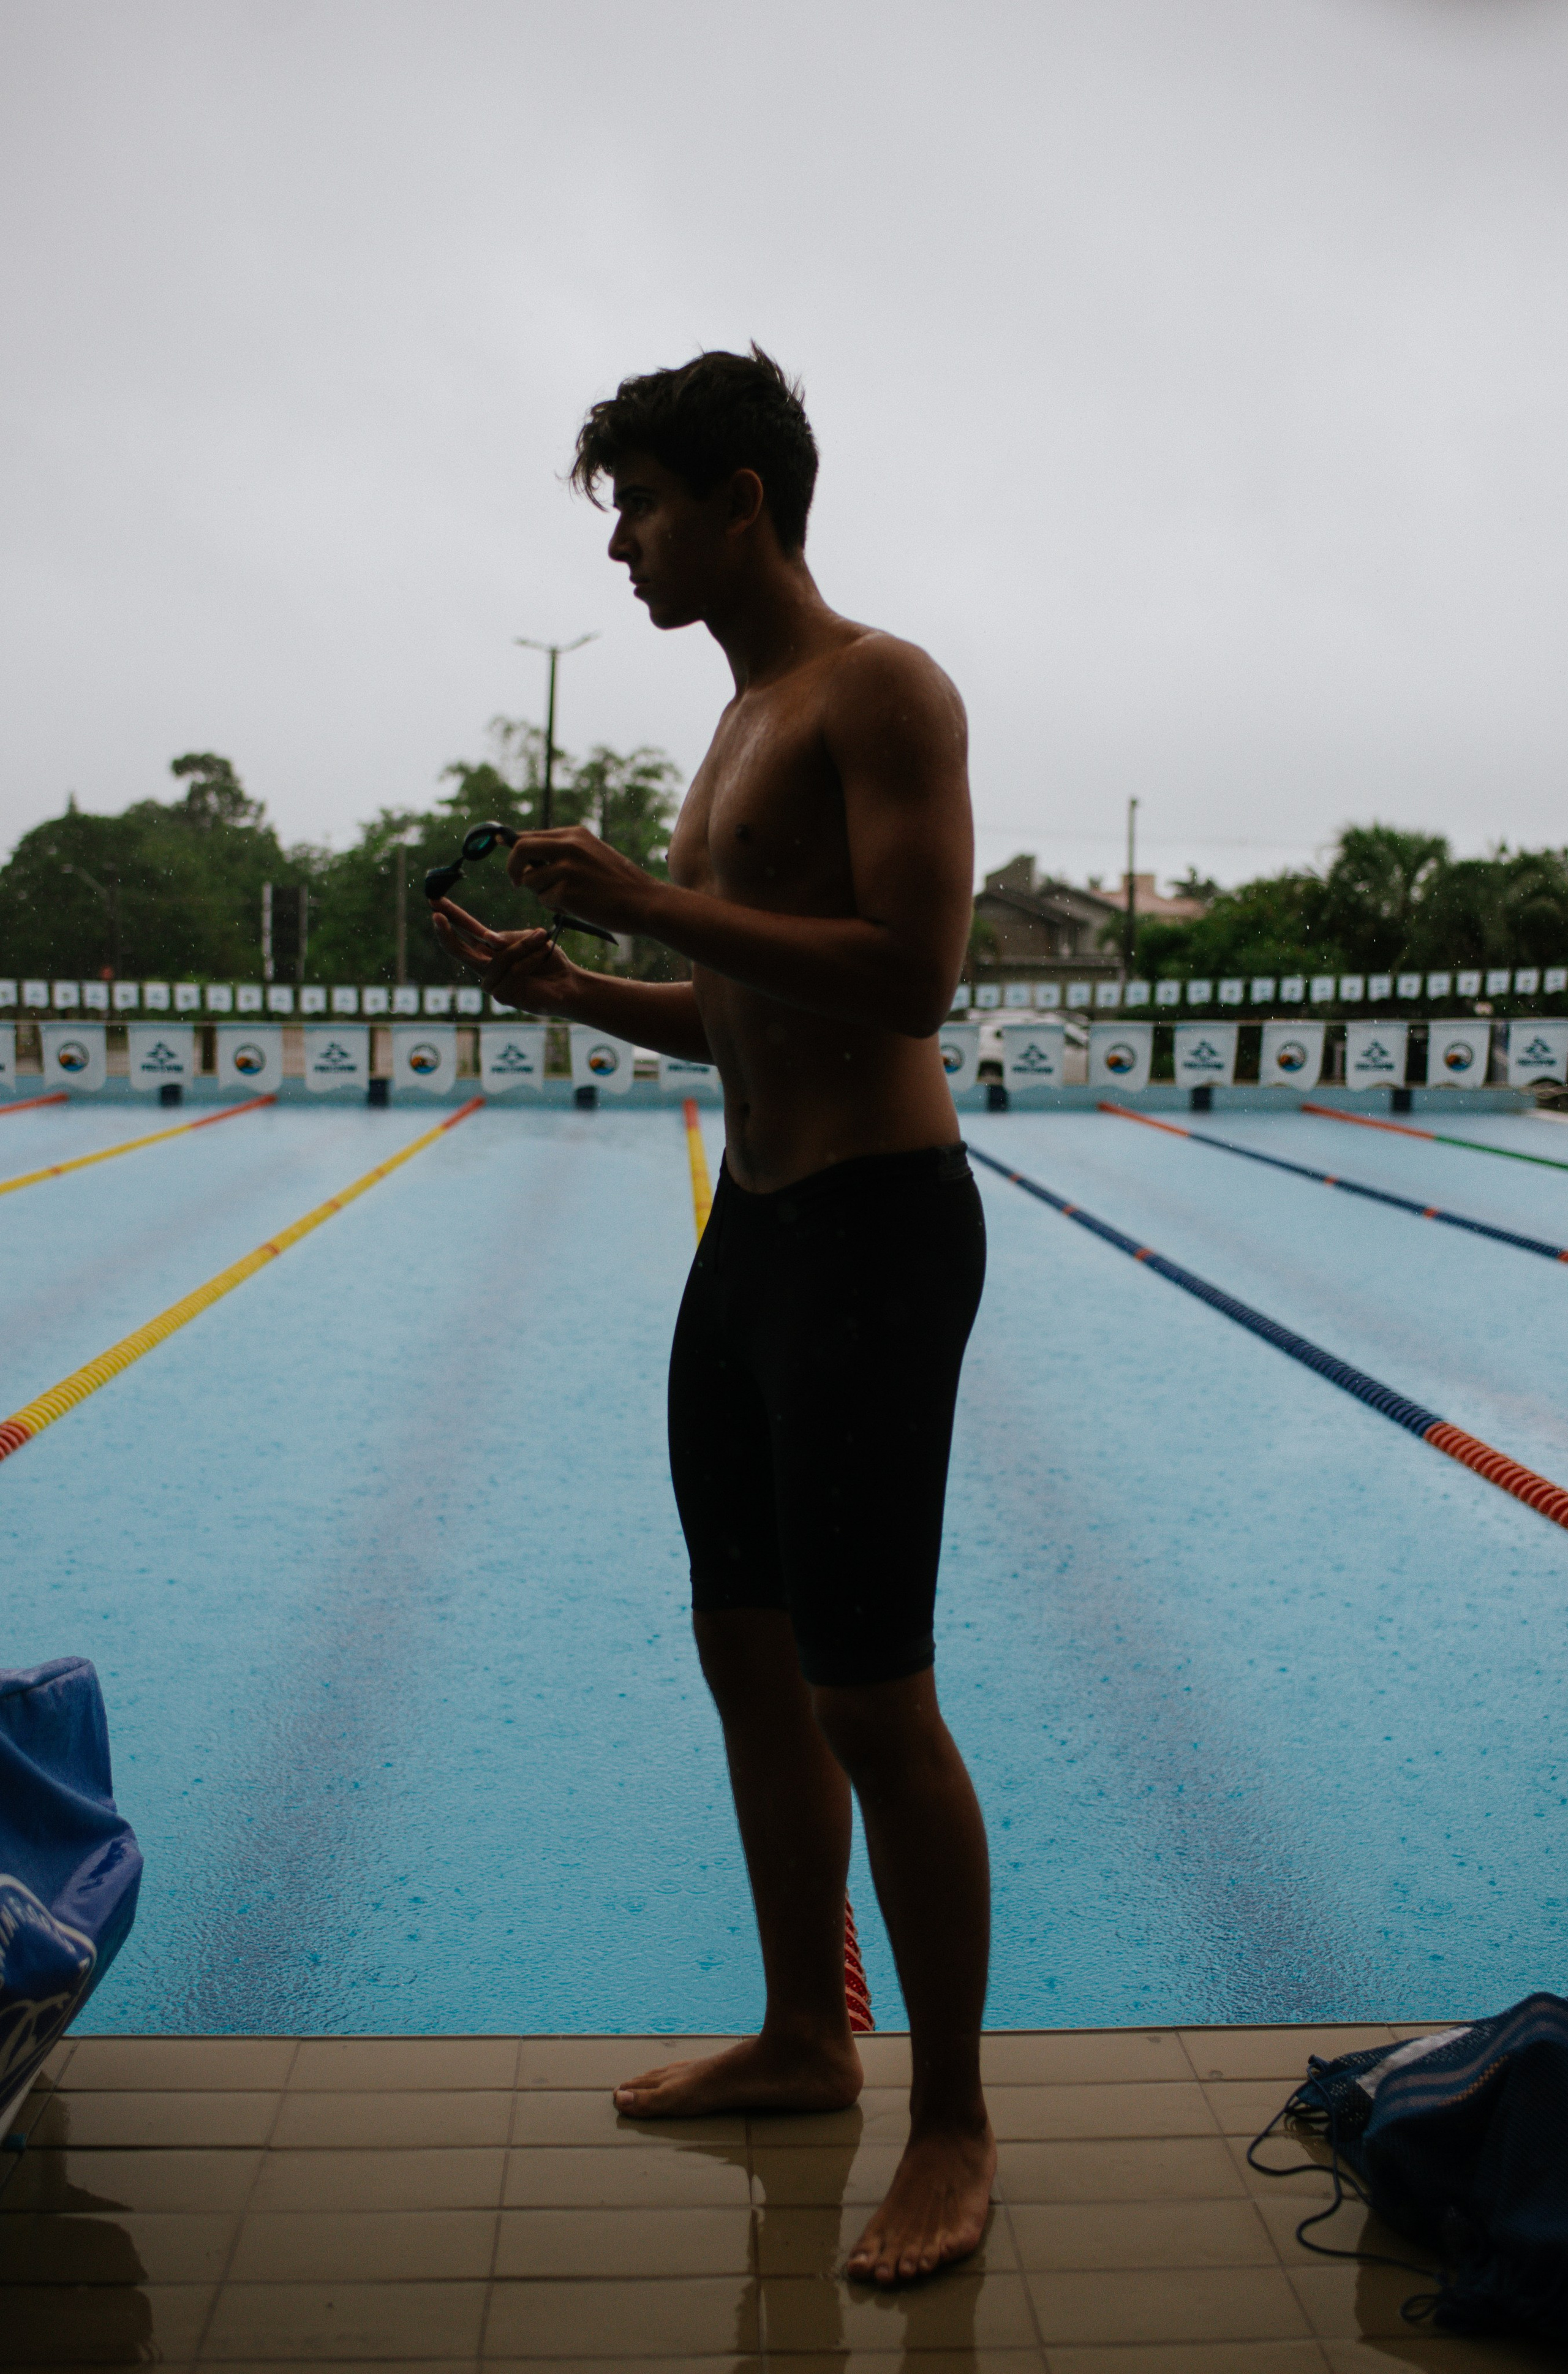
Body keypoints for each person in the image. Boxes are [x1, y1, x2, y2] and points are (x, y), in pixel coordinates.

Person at [434, 348, 992, 2287]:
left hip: (873, 1230)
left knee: (870, 1687)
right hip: (752, 1234)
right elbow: (759, 1005)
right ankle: (802, 2031)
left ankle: (953, 2120)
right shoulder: (742, 718)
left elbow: (912, 978)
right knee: (747, 1653)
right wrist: (582, 981)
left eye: (645, 502)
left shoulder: (880, 688)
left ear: (743, 497)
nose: (624, 540)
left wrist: (653, 913)